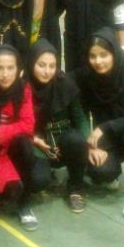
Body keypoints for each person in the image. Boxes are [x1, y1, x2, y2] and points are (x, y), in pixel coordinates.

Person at [73, 27, 124, 219]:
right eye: (93, 56)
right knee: (99, 171)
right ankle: (112, 173)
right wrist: (90, 145)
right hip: (108, 139)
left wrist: (103, 127)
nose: (98, 61)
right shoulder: (88, 77)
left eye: (104, 55)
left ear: (115, 53)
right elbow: (65, 81)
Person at [0, 45, 50, 231]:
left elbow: (27, 126)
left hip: (12, 150)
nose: (5, 74)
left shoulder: (24, 89)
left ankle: (24, 205)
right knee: (11, 192)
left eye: (10, 68)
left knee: (36, 171)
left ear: (18, 69)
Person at [27, 38, 90, 213]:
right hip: (37, 145)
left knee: (76, 140)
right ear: (31, 63)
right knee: (38, 181)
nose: (47, 71)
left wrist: (90, 145)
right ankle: (47, 172)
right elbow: (16, 125)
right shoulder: (22, 87)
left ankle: (76, 189)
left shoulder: (65, 83)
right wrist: (34, 141)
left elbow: (80, 119)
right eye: (41, 65)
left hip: (63, 143)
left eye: (52, 66)